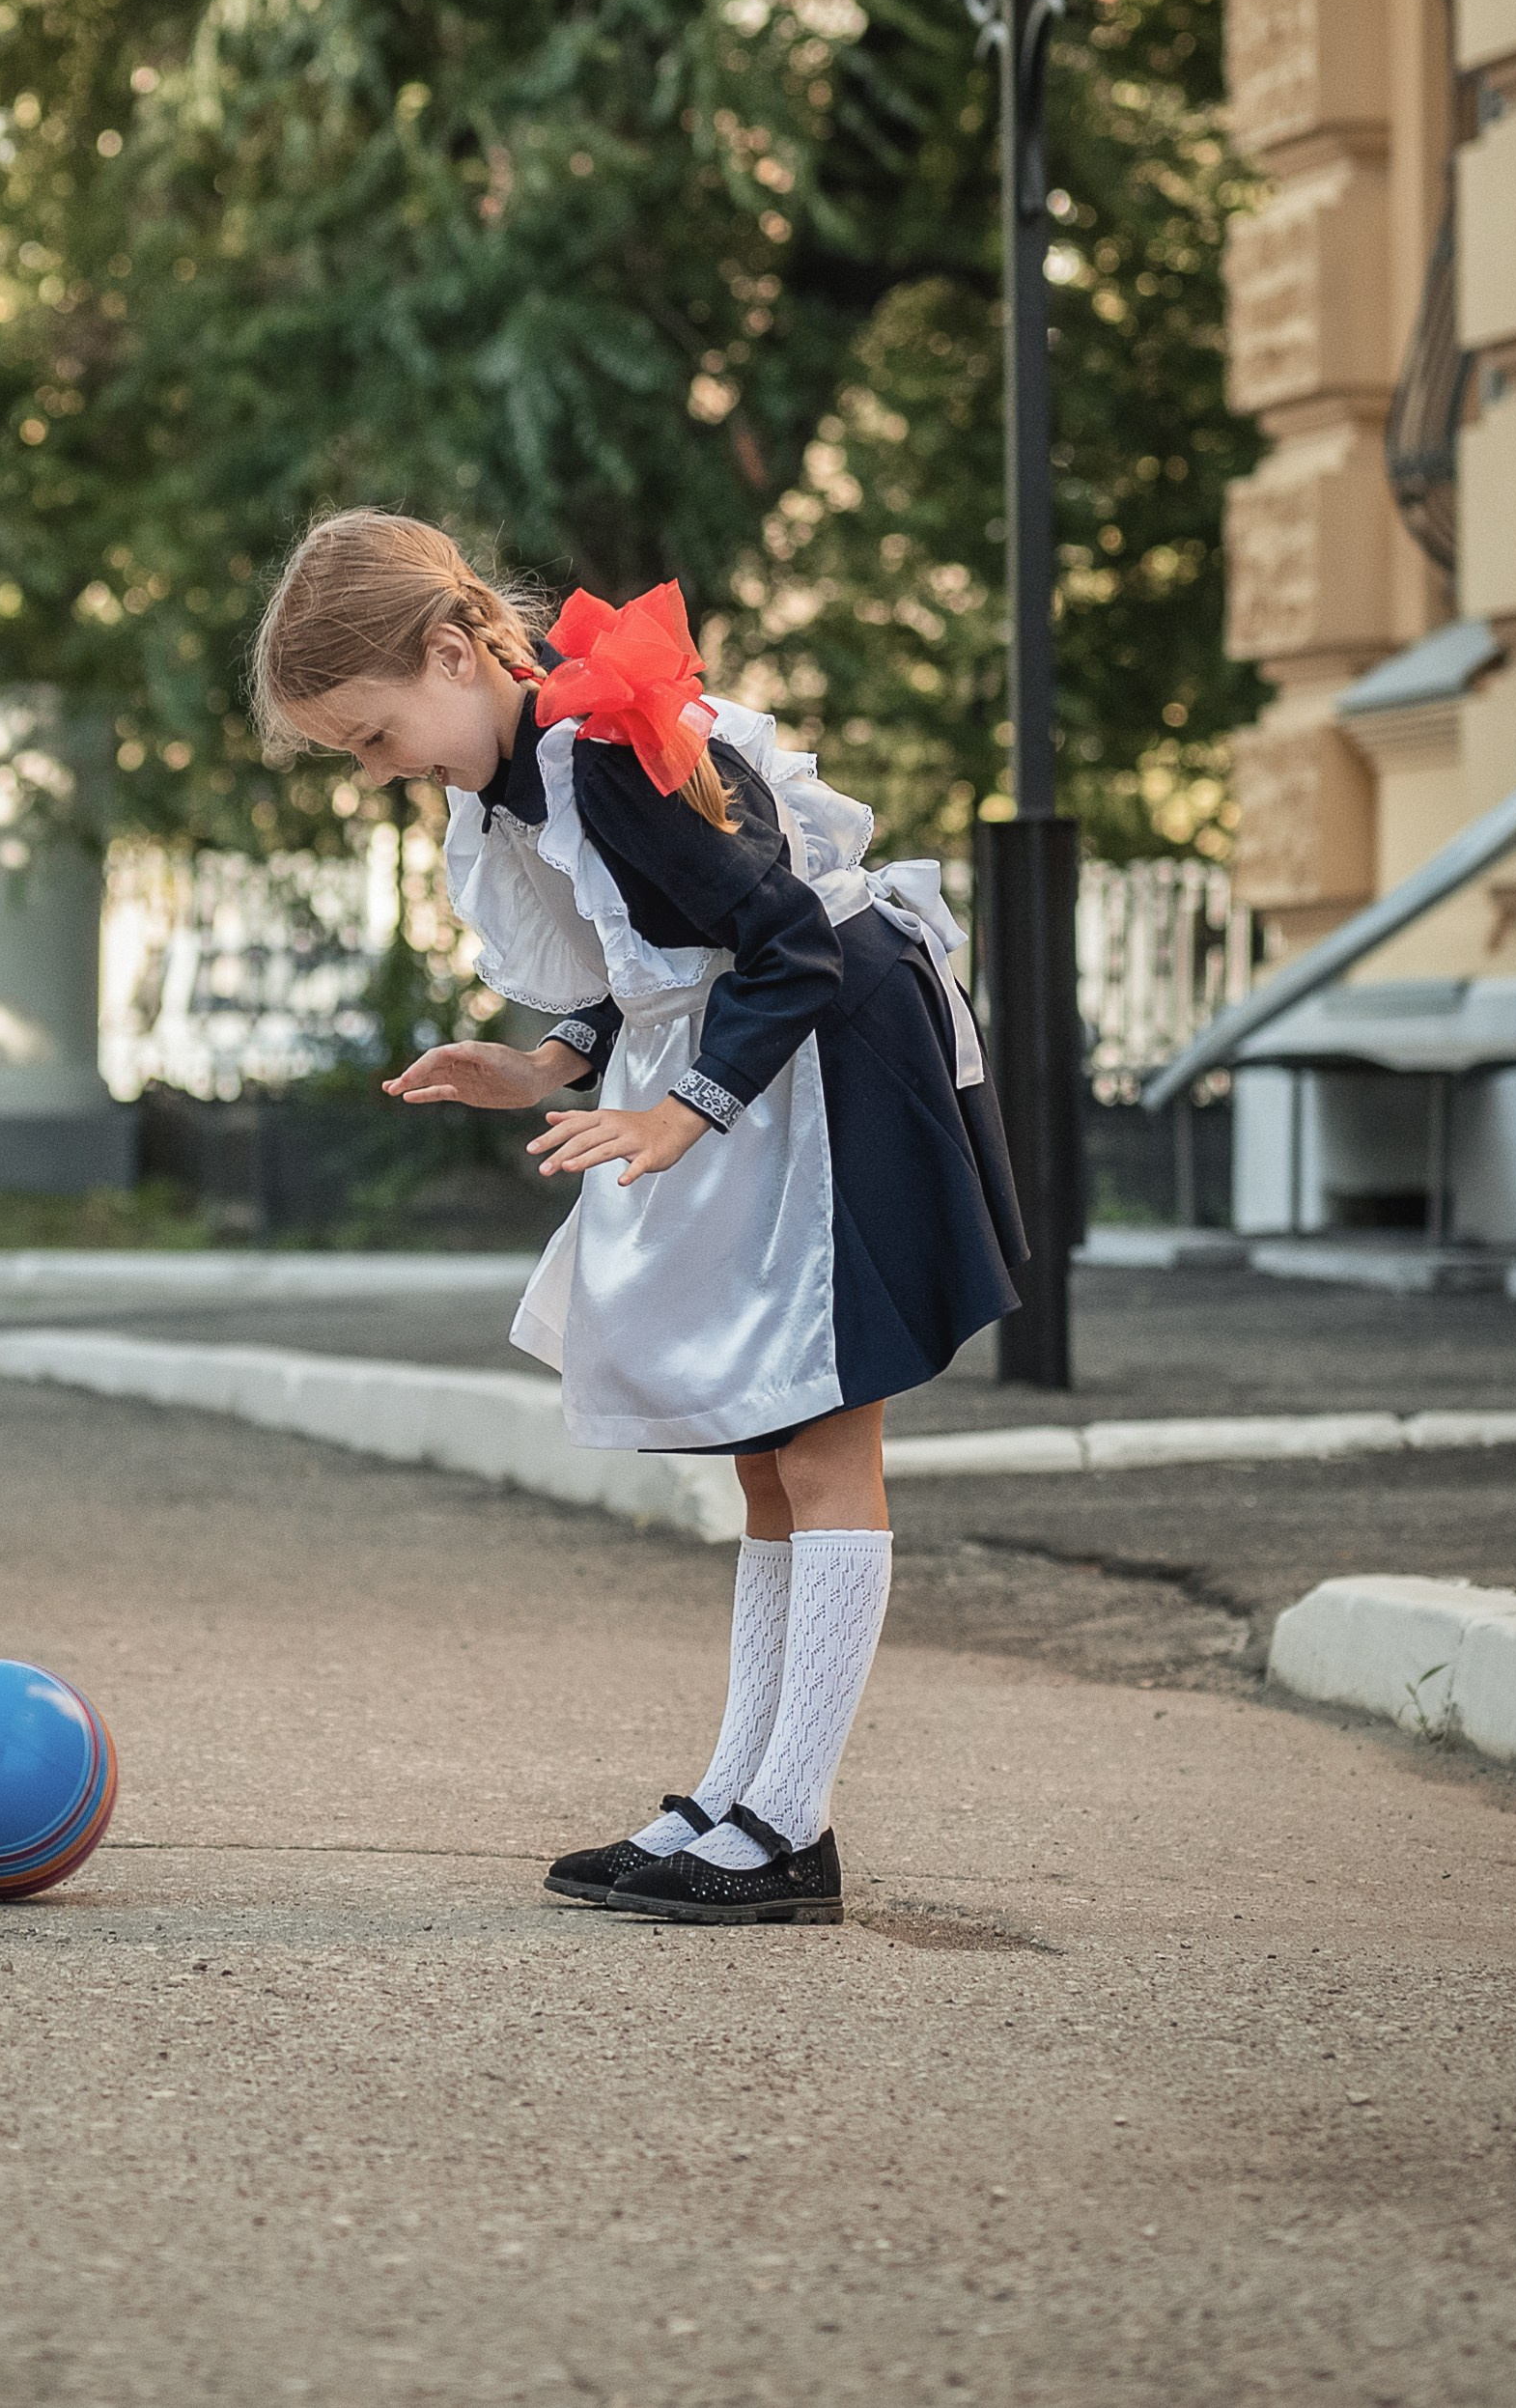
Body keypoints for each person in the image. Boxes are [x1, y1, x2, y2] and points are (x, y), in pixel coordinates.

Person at [252, 510, 1025, 1926]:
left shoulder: (594, 754)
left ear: (448, 651)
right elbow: (660, 947)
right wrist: (545, 1061)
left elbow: (789, 941)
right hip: (765, 1070)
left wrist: (688, 1111)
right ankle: (741, 1794)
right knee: (763, 1453)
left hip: (835, 1068)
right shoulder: (535, 769)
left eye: (373, 737)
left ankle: (792, 1827)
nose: (379, 770)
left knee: (822, 1434)